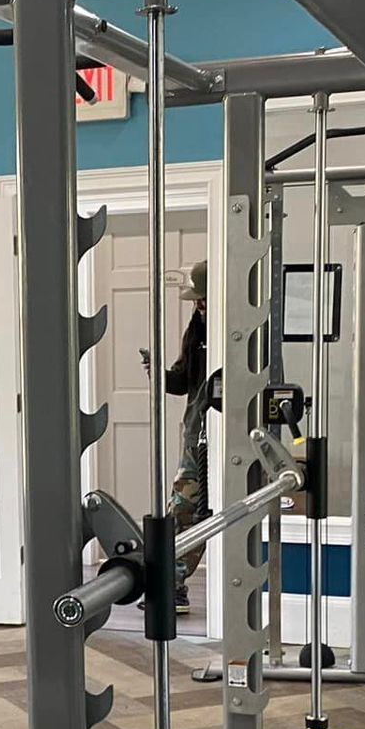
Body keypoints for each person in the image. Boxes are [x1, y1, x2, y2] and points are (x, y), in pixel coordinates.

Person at [141, 260, 215, 614]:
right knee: (181, 511)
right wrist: (156, 371)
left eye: (203, 300)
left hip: (221, 440)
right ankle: (172, 586)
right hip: (195, 438)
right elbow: (180, 383)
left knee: (190, 512)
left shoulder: (240, 339)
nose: (199, 307)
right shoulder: (198, 336)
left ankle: (173, 584)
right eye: (196, 302)